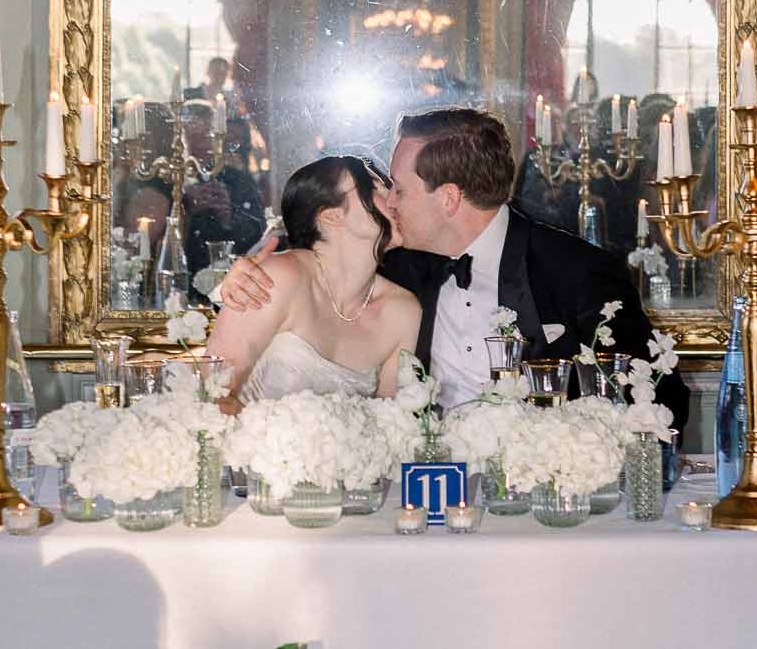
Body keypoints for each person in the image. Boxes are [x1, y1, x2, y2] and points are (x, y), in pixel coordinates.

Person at [221, 107, 690, 435]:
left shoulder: (575, 272)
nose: (390, 203)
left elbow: (662, 401)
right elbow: (320, 256)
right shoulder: (399, 264)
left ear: (447, 199)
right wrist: (240, 274)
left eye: (400, 190)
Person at [206, 155, 419, 410]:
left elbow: (393, 427)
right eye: (374, 188)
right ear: (331, 216)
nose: (394, 199)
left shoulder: (403, 310)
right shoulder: (280, 278)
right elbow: (211, 394)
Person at [180, 100, 266, 275]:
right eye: (190, 138)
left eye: (204, 137)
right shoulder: (170, 179)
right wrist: (186, 209)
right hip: (183, 274)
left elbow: (257, 235)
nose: (197, 146)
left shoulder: (237, 180)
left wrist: (227, 218)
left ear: (218, 139)